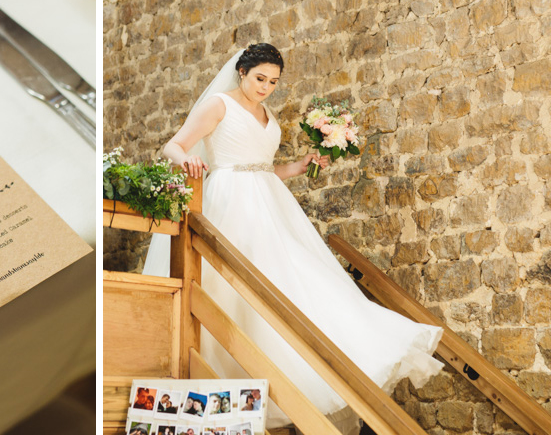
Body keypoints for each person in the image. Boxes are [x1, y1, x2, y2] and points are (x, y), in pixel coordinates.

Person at [148, 43, 443, 433]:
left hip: (271, 201)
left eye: (273, 82)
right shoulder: (219, 105)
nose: (266, 88)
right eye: (260, 79)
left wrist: (300, 166)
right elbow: (174, 143)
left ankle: (315, 368)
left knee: (298, 279)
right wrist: (187, 158)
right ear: (242, 72)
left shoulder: (268, 113)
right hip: (231, 201)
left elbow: (265, 168)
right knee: (238, 286)